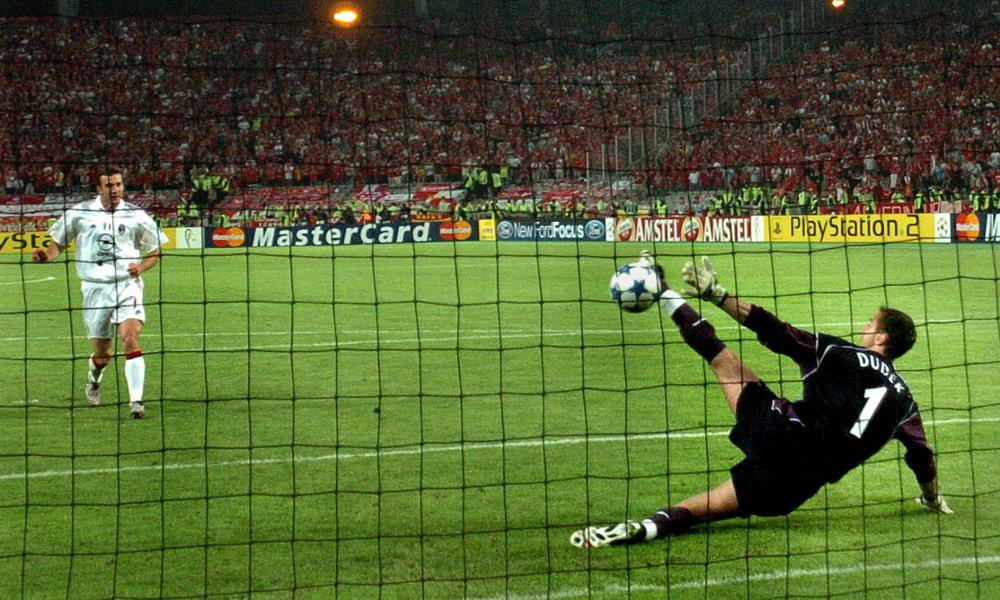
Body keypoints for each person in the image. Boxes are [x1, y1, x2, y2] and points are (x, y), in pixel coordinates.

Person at [571, 254, 952, 549]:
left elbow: (778, 332)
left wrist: (719, 296)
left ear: (882, 339)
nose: (864, 327)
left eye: (871, 324)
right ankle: (649, 526)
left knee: (724, 362)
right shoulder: (907, 403)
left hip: (782, 435)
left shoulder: (841, 353)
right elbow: (922, 455)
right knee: (704, 510)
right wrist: (931, 496)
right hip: (797, 485)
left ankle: (663, 290)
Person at [32, 167, 168, 419]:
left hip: (126, 285)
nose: (115, 190)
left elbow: (155, 252)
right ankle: (94, 380)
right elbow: (57, 245)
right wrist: (45, 256)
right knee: (103, 355)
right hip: (94, 289)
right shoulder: (80, 213)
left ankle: (136, 402)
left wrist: (139, 268)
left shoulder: (136, 215)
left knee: (130, 338)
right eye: (109, 185)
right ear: (98, 188)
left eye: (118, 184)